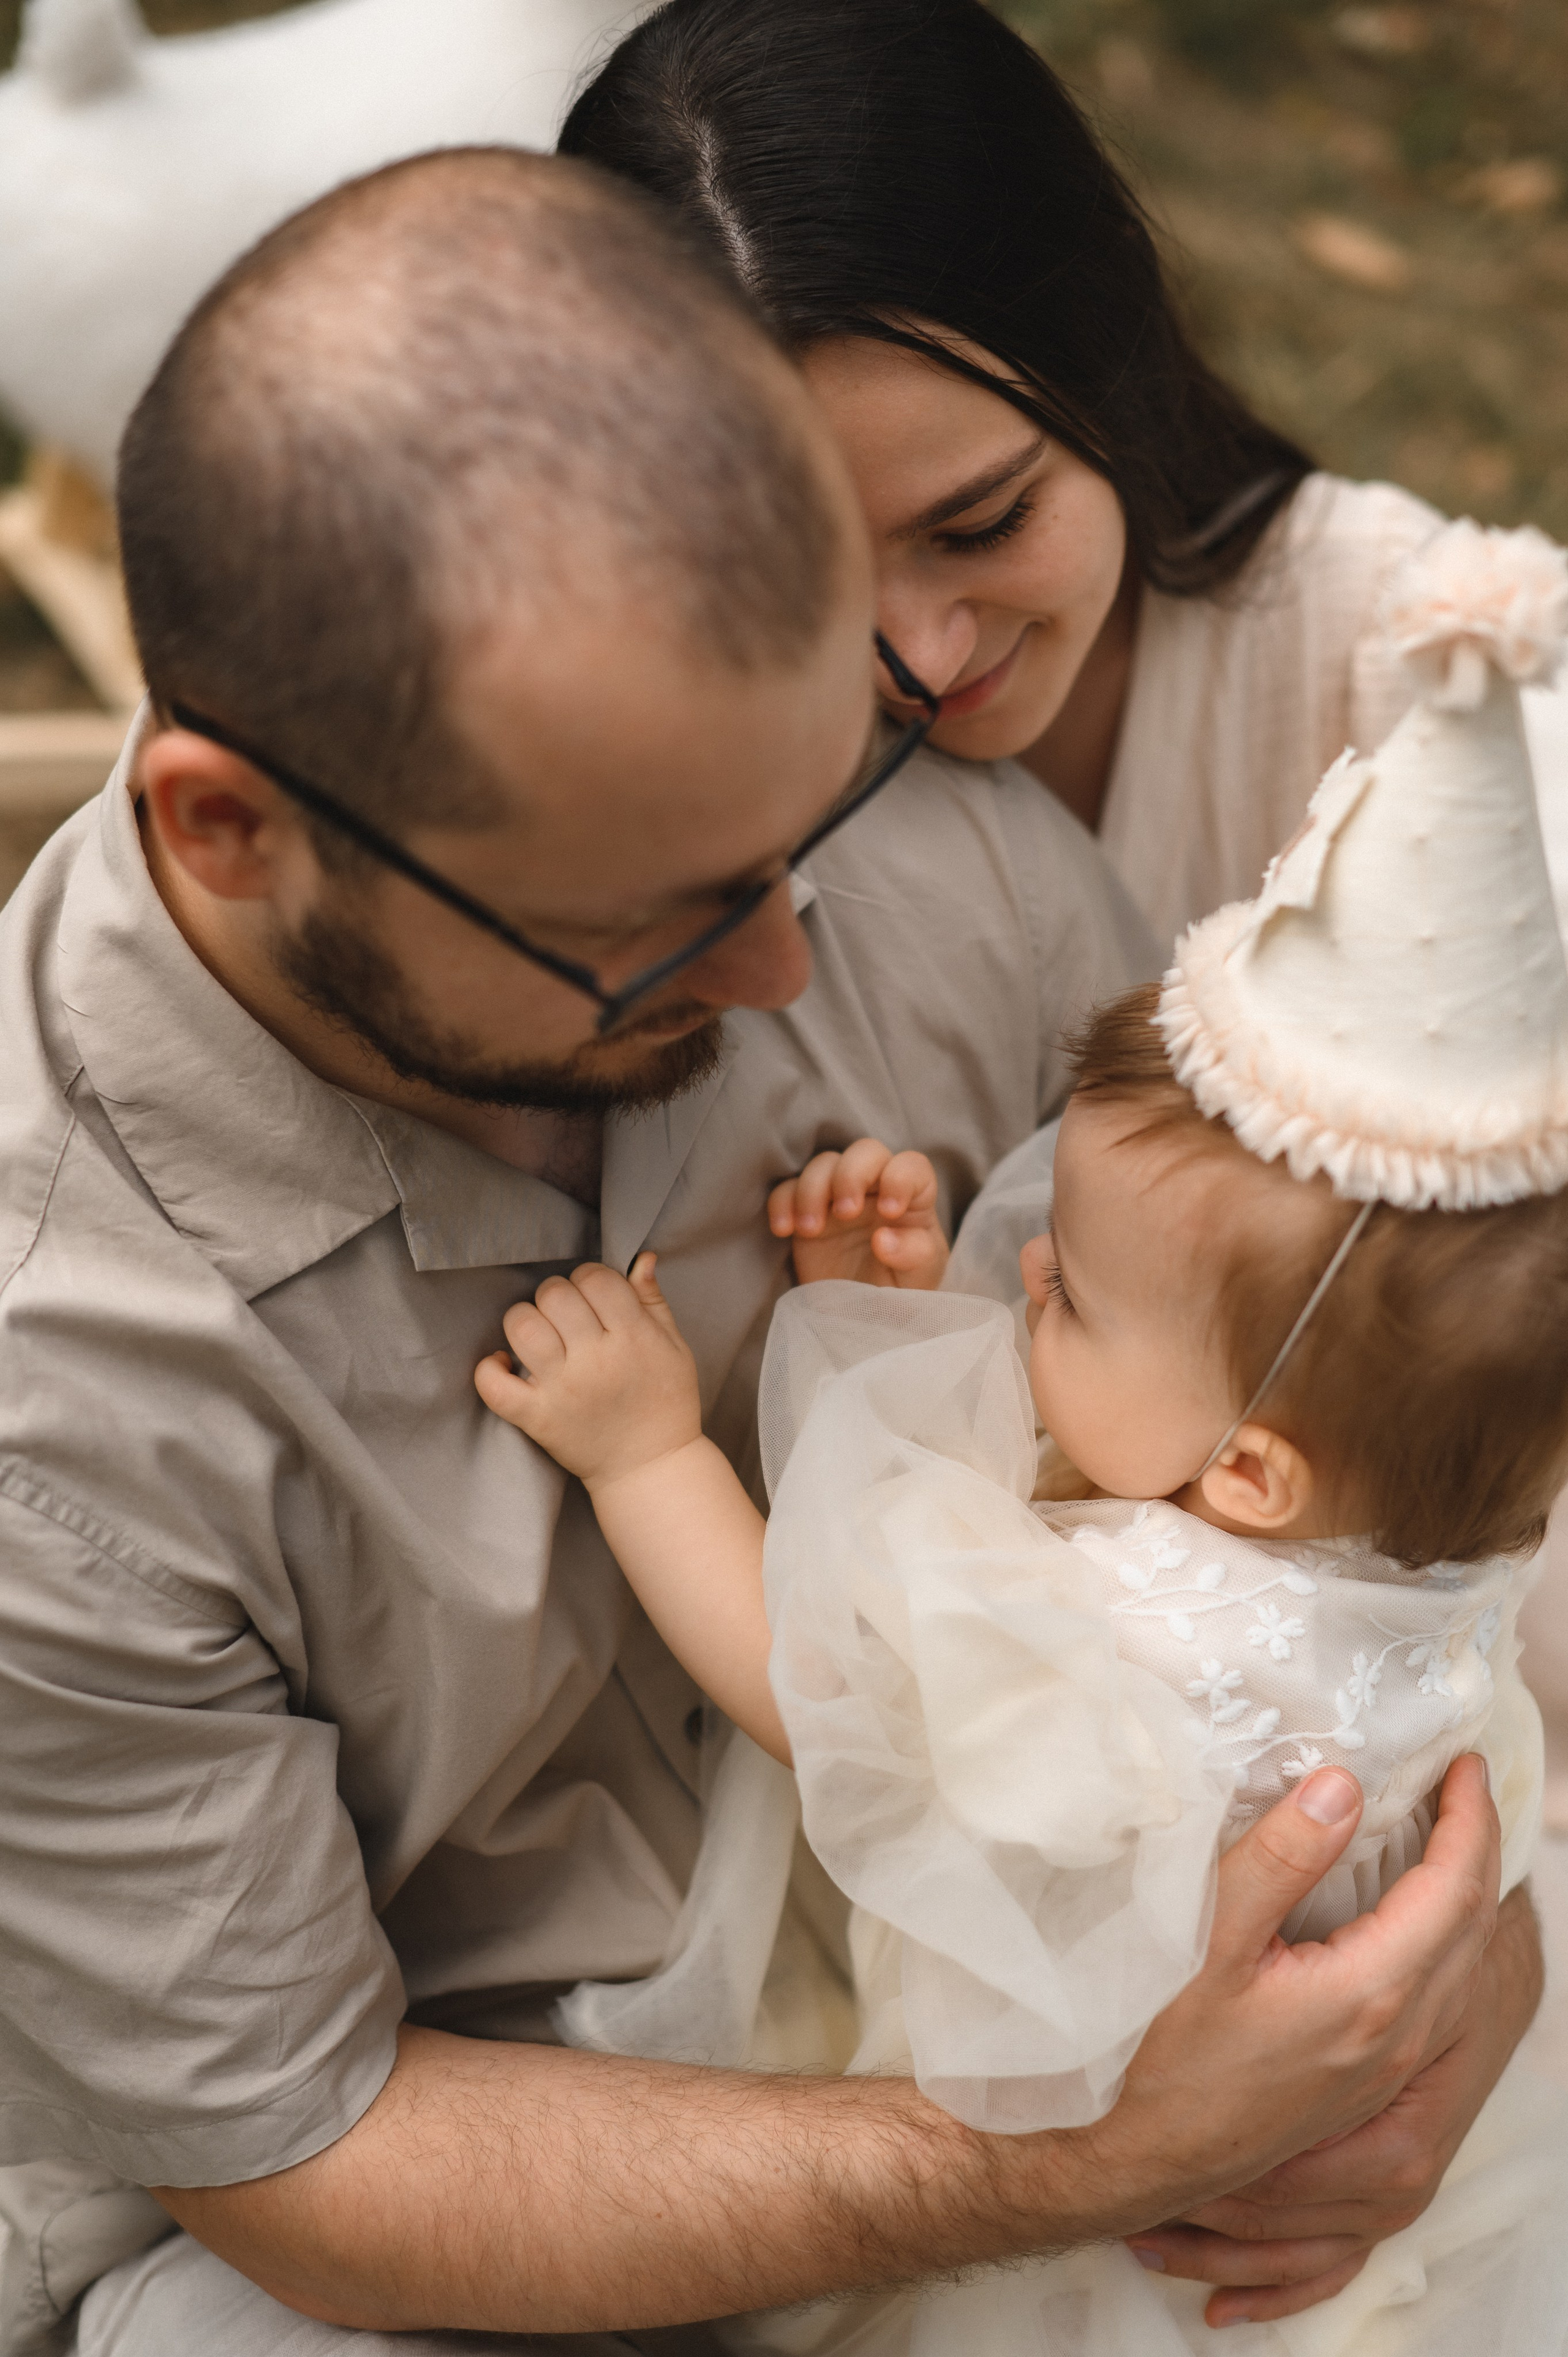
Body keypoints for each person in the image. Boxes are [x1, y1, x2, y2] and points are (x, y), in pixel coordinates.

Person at [0, 140, 1506, 2357]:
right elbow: (315, 2162)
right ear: (233, 826)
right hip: (463, 2229)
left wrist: (1439, 2002)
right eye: (670, 920)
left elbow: (1340, 1475)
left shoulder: (849, 821)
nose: (803, 964)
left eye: (808, 828)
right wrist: (1072, 2153)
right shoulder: (58, 1422)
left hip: (1054, 2011)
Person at [473, 526, 1568, 2353]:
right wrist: (888, 1306)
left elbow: (808, 1681)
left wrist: (646, 1451)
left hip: (1070, 2235)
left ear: (1249, 1476)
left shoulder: (1138, 1633)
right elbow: (1082, 1460)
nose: (1027, 1258)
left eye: (1068, 1303)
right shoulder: (1434, 1556)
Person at [559, 0, 1568, 952]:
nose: (918, 656)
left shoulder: (1428, 666)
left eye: (985, 524)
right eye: (797, 582)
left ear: (1105, 348)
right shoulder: (645, 787)